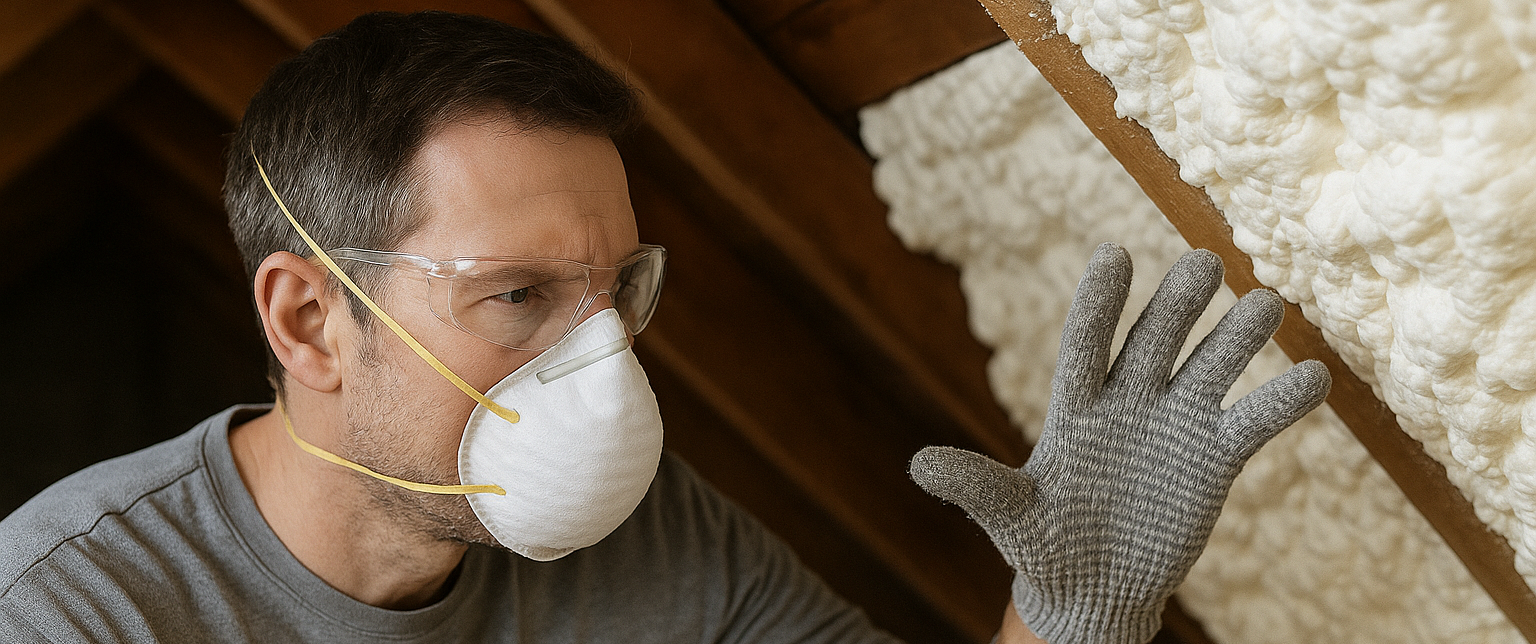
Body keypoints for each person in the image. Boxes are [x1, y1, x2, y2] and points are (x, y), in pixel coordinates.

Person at [0, 11, 1330, 643]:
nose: (603, 369)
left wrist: (1071, 616)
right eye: (518, 296)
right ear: (311, 320)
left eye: (616, 292)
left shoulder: (652, 536)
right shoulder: (73, 610)